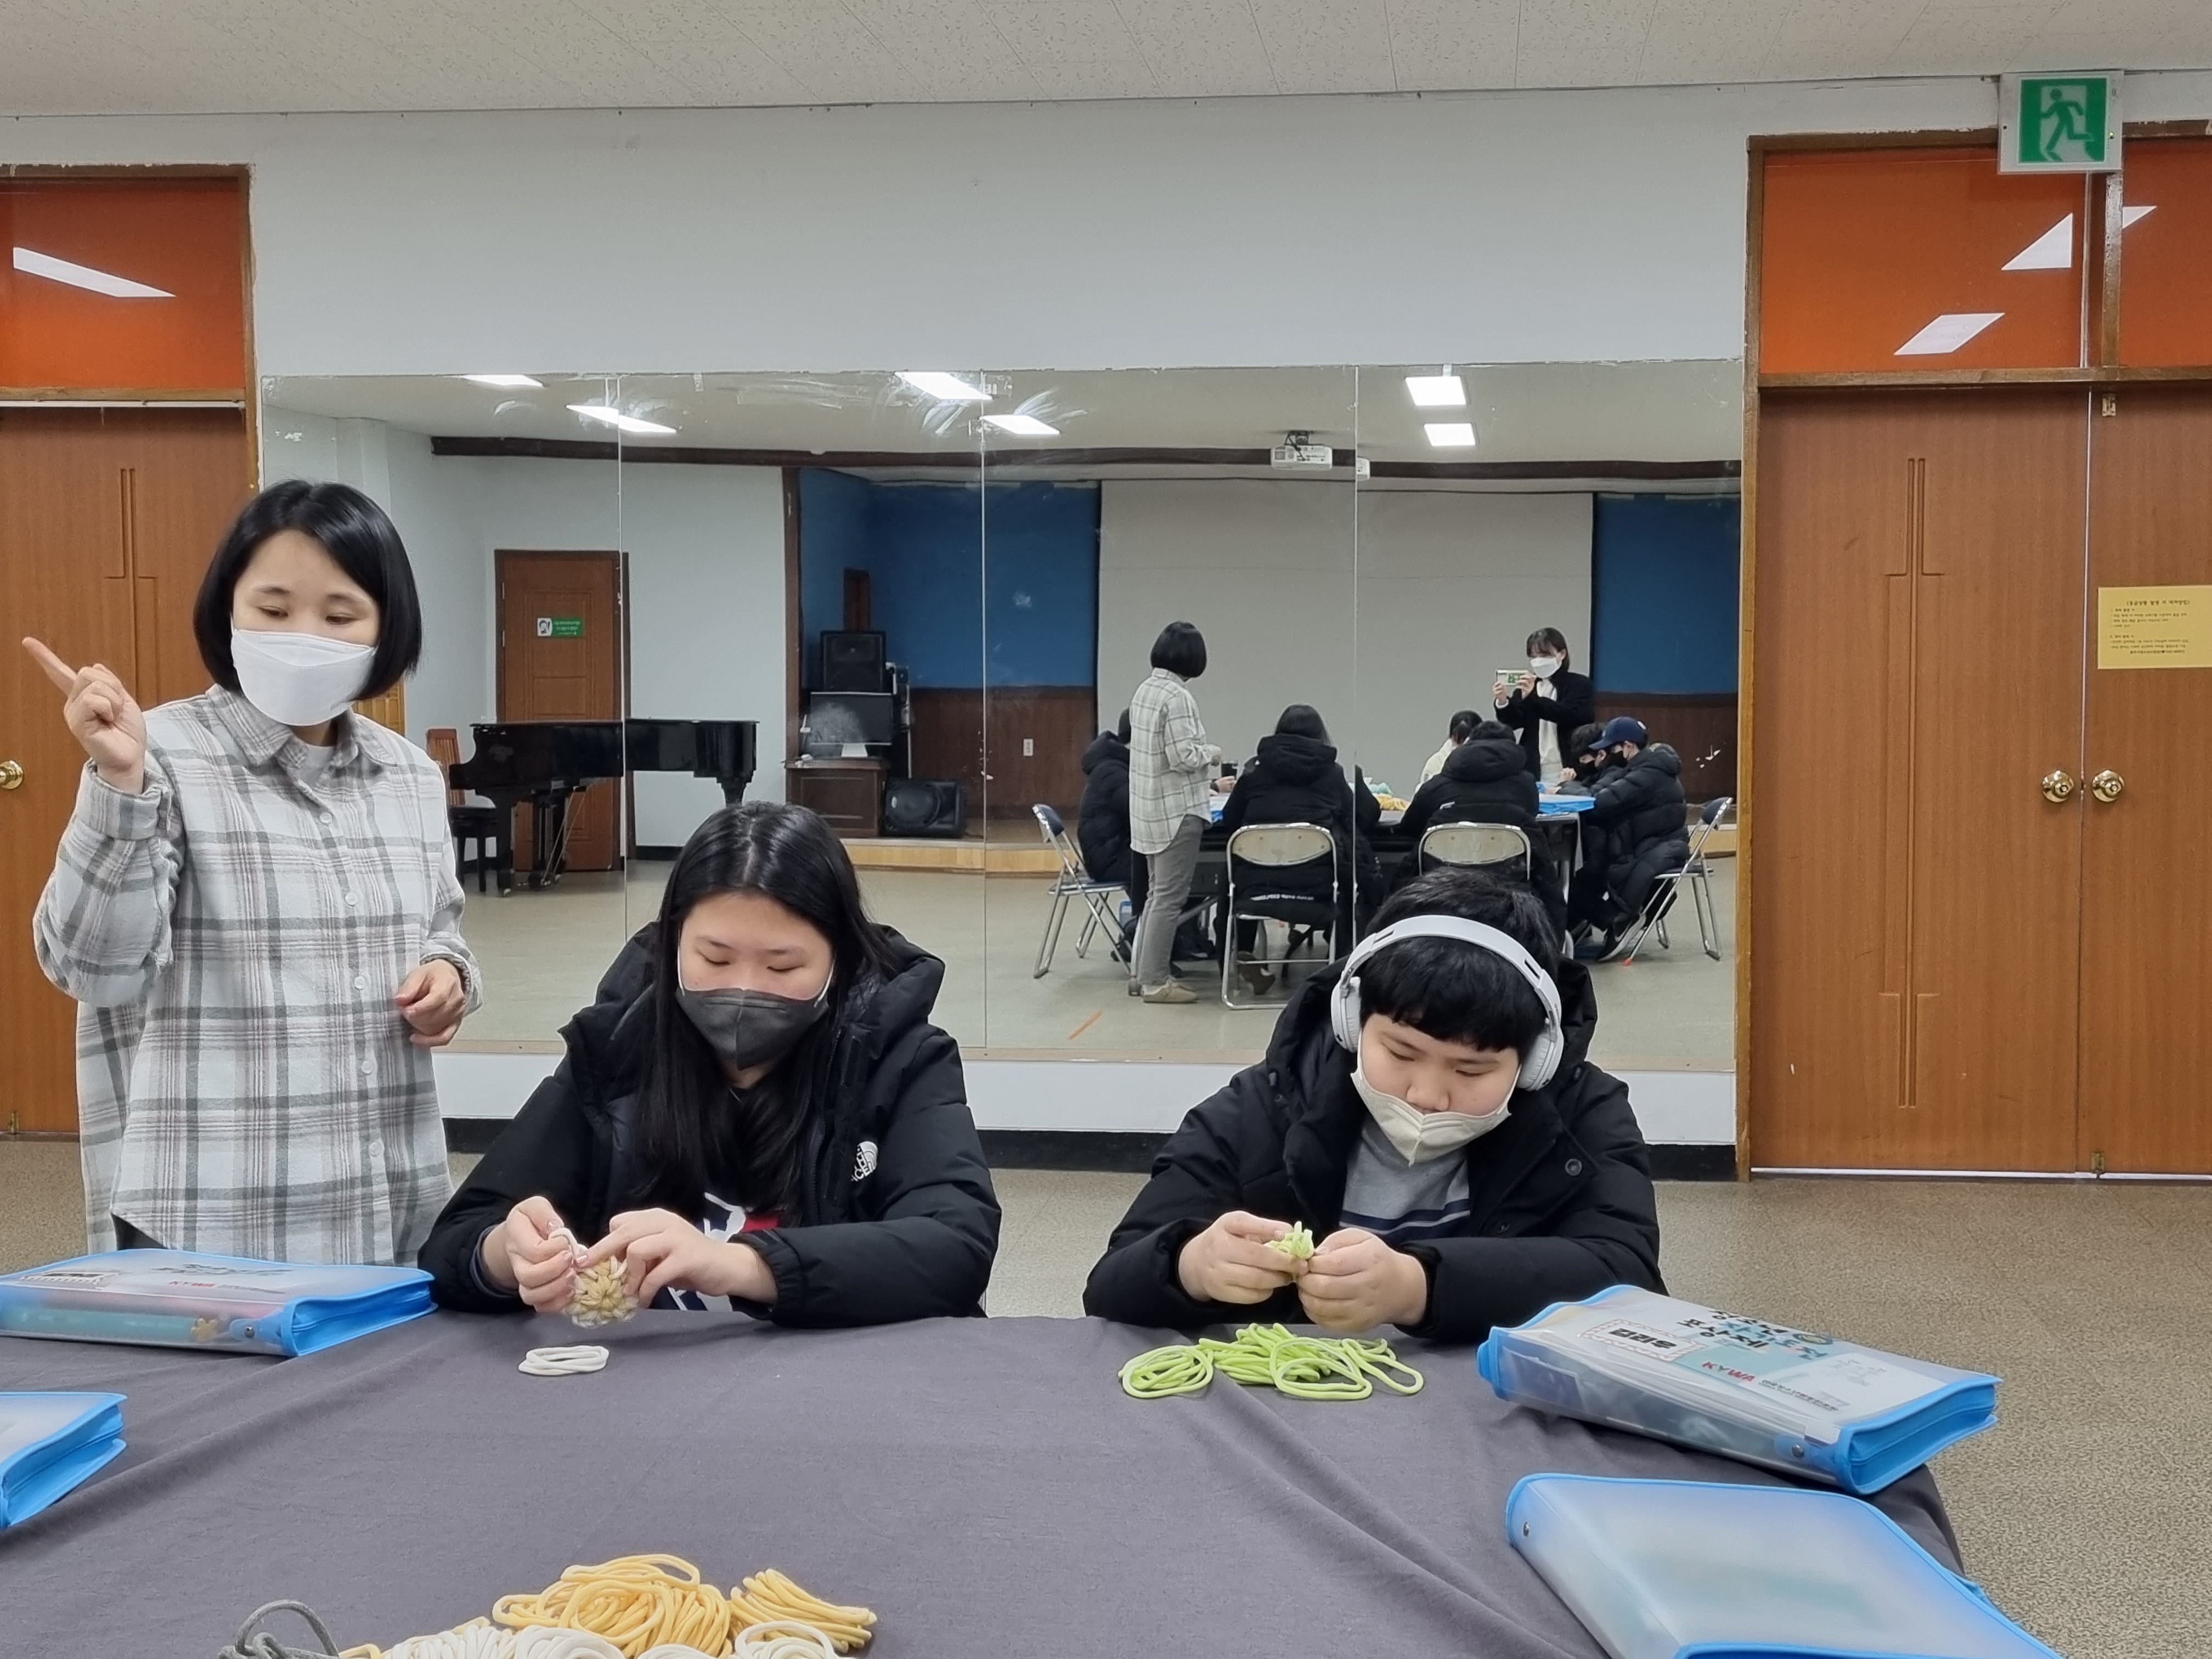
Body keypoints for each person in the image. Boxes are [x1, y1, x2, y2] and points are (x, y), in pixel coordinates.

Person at [27, 481, 478, 1265]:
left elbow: (442, 929)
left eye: (340, 616)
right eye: (273, 609)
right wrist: (121, 786)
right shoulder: (158, 755)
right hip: (209, 1216)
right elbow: (93, 969)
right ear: (227, 609)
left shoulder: (408, 775)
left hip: (386, 1201)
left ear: (386, 629)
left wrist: (450, 978)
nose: (304, 636)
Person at [422, 800, 1000, 1325]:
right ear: (673, 943)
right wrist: (505, 1256)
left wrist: (743, 1266)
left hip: (843, 1386)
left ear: (838, 961)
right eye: (714, 959)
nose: (744, 990)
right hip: (650, 1390)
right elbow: (453, 1245)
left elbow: (956, 1247)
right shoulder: (618, 1052)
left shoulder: (899, 1058)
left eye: (782, 967)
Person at [1083, 869, 1662, 1341]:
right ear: (1352, 1022)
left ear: (1535, 1060)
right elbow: (1110, 1285)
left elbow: (1627, 1279)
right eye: (1401, 1053)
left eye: (1471, 1070)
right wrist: (1190, 1265)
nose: (1426, 1095)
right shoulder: (1261, 1106)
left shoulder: (1583, 1113)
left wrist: (1418, 1287)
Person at [1217, 704, 1371, 972]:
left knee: (1231, 869)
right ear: (1320, 735)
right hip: (1318, 886)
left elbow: (1230, 820)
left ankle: (1241, 955)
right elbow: (1360, 816)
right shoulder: (1332, 775)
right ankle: (1342, 966)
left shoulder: (1253, 775)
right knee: (1351, 875)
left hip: (1254, 885)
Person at [1392, 720, 1565, 934]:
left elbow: (1409, 826)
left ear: (1468, 744)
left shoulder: (1438, 784)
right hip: (1511, 892)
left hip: (1442, 889)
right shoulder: (1525, 784)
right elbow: (1531, 813)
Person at [1127, 622, 1218, 1006]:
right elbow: (1183, 757)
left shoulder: (1144, 691)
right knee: (1169, 898)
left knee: (1155, 896)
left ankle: (1141, 975)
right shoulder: (1178, 697)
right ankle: (1155, 982)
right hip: (1177, 811)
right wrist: (1211, 753)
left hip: (1148, 810)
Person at [1572, 716, 1690, 961]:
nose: (1609, 755)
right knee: (1583, 877)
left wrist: (1566, 787)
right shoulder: (1646, 768)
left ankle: (1617, 920)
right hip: (1646, 843)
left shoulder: (1647, 774)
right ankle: (1593, 923)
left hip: (1648, 848)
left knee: (1579, 880)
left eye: (1612, 748)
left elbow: (1601, 802)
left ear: (1628, 746)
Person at [1494, 627, 1595, 787]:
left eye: (1545, 655)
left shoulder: (1579, 684)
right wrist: (1503, 702)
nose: (1539, 661)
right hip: (1533, 767)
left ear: (1562, 654)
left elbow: (1568, 714)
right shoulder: (1528, 687)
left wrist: (1532, 699)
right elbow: (1514, 722)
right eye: (1534, 656)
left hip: (1568, 766)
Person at [1419, 709, 1481, 784]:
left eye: (1469, 741)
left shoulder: (1490, 762)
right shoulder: (1436, 763)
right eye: (1459, 740)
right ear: (1451, 737)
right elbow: (1426, 789)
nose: (1464, 746)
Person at [1552, 722, 1612, 797]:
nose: (1581, 763)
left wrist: (1563, 785)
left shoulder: (1612, 774)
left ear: (1601, 755)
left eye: (1584, 759)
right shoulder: (1597, 774)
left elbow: (1591, 794)